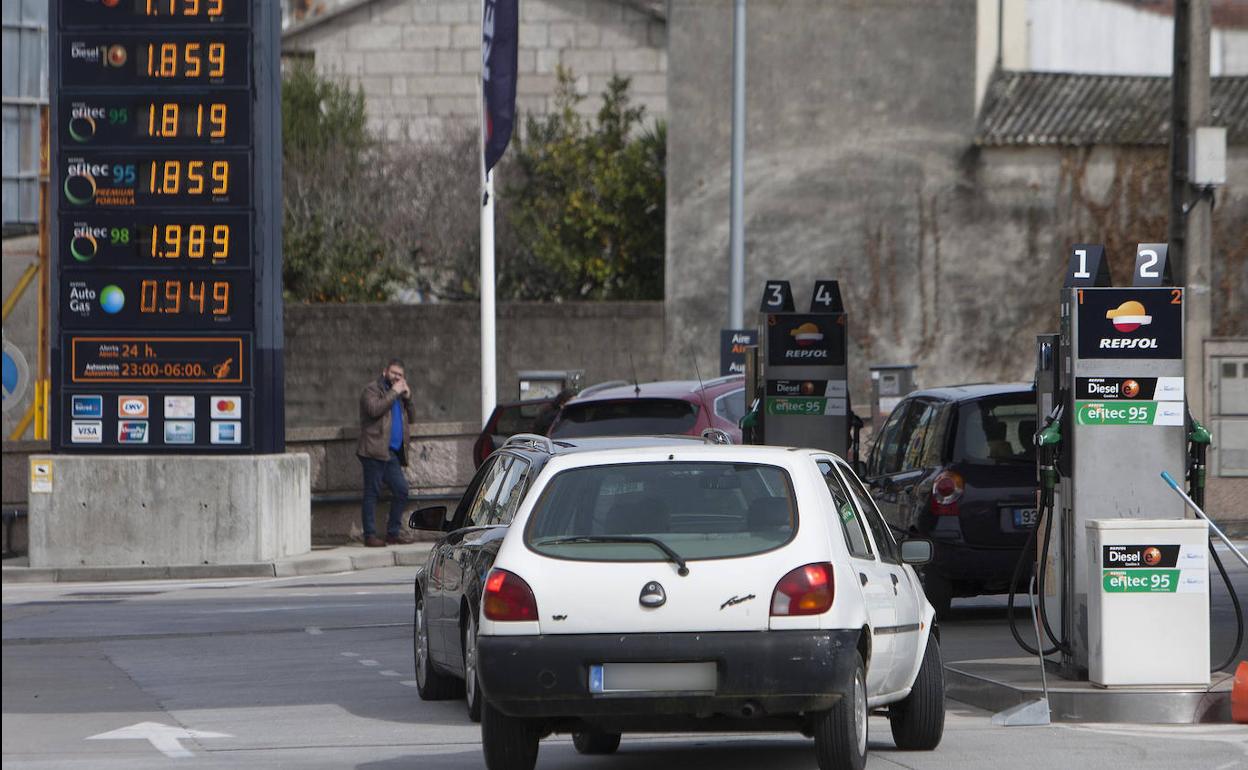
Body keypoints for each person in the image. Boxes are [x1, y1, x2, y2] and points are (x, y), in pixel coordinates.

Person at [357, 358, 417, 547]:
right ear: (385, 372)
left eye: (400, 375)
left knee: (401, 490)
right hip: (373, 450)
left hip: (391, 453)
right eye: (394, 373)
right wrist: (395, 392)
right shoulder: (372, 390)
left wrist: (408, 398)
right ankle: (370, 535)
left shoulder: (399, 396)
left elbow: (413, 418)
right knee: (371, 493)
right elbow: (374, 409)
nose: (397, 377)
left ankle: (393, 533)